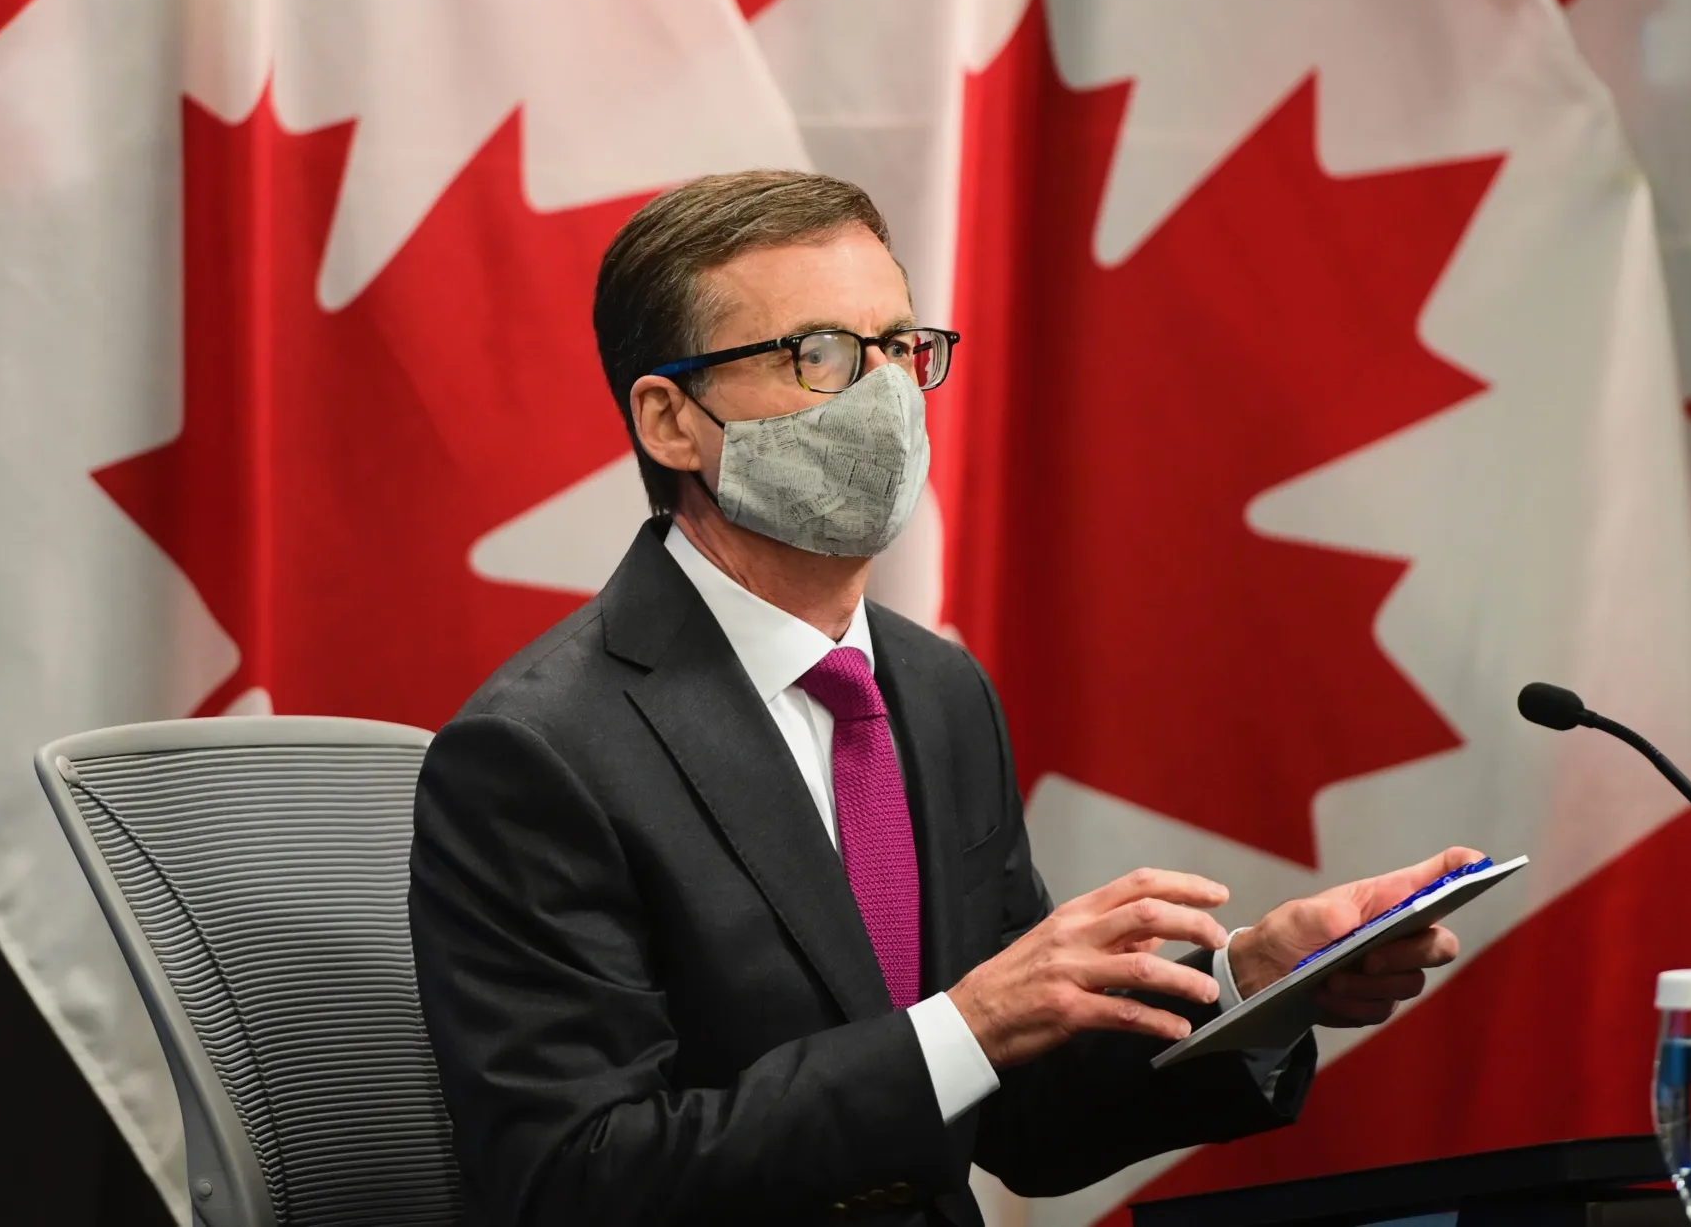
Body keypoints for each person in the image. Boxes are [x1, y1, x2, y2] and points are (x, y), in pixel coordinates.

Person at [409, 170, 1481, 1227]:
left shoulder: (932, 687)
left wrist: (1249, 985)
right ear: (671, 420)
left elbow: (1025, 1119)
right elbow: (576, 1177)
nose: (883, 396)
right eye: (818, 355)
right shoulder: (537, 750)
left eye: (899, 348)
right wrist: (962, 1025)